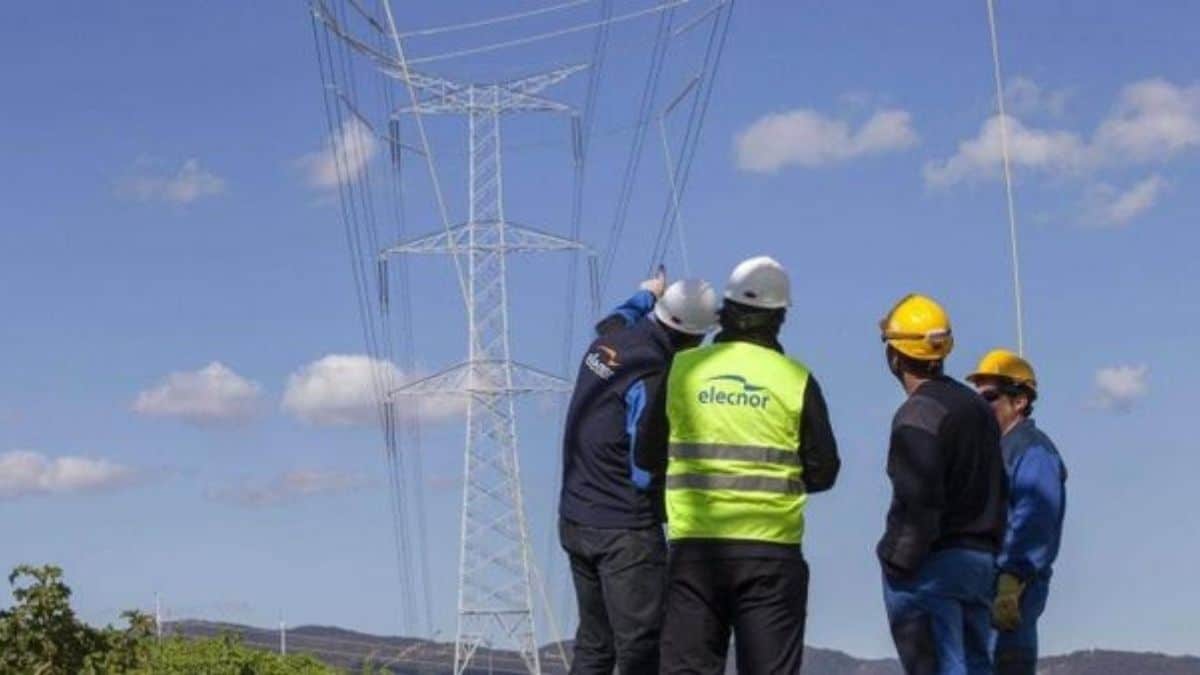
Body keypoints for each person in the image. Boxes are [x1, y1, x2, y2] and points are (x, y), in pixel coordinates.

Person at [656, 256, 841, 675]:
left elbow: (646, 456)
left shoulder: (682, 371)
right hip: (771, 553)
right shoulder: (795, 379)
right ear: (779, 318)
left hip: (695, 551)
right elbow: (825, 471)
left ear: (726, 311)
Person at [558, 270, 720, 675]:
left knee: (595, 646)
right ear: (694, 337)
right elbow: (644, 467)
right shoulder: (652, 375)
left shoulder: (608, 343)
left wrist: (646, 294)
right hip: (624, 531)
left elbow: (615, 318)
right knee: (641, 648)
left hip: (576, 518)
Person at [877, 294, 1008, 675]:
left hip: (933, 565)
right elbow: (999, 485)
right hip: (980, 563)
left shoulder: (917, 414)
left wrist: (896, 561)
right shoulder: (977, 409)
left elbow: (918, 500)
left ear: (895, 356)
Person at [966, 350, 1067, 675]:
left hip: (1010, 595)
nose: (981, 408)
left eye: (990, 398)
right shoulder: (994, 451)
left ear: (1020, 401)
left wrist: (1012, 580)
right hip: (983, 591)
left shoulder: (1032, 451)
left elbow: (1036, 518)